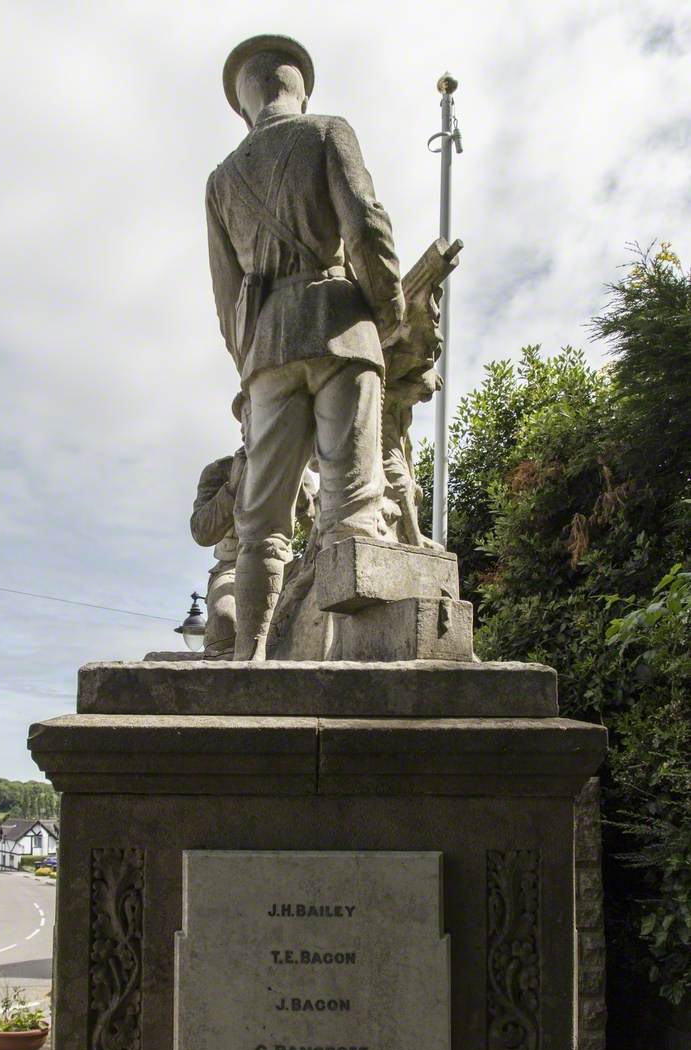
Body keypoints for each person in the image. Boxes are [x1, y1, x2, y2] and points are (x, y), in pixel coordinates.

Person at [206, 34, 405, 659]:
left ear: (243, 105)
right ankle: (340, 657)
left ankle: (249, 657)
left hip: (266, 350)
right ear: (300, 89)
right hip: (342, 325)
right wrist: (389, 312)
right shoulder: (327, 132)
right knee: (350, 502)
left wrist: (255, 357)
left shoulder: (220, 180)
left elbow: (224, 294)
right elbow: (367, 225)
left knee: (261, 520)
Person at [189, 393, 247, 658]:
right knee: (225, 618)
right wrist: (232, 489)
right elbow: (201, 532)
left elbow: (312, 520)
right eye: (249, 418)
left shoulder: (295, 471)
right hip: (233, 568)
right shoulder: (218, 471)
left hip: (284, 566)